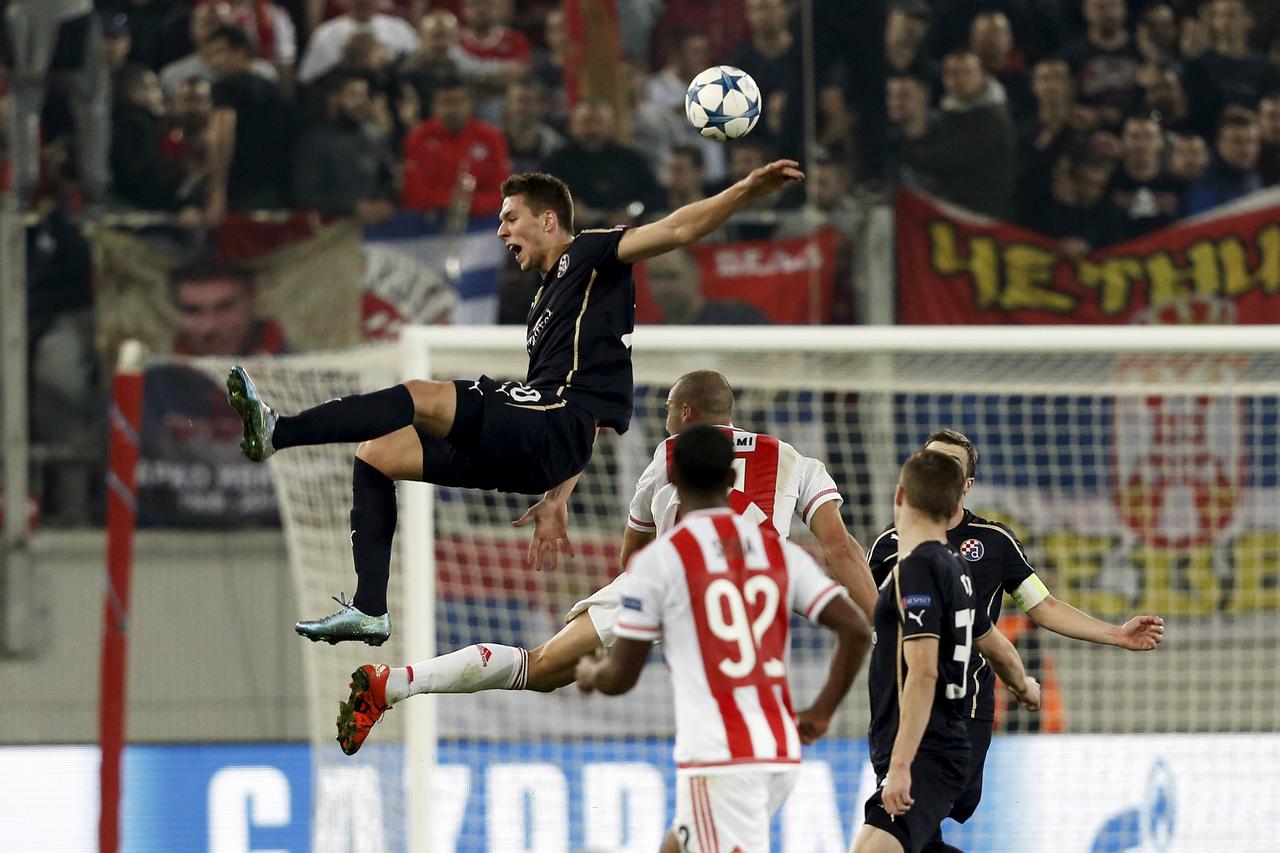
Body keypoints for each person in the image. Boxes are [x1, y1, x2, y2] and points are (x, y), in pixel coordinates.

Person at [226, 162, 806, 645]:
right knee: (377, 454)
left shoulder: (592, 253)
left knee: (422, 396)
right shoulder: (545, 302)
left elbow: (676, 230)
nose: (502, 231)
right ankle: (370, 609)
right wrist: (557, 496)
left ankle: (279, 432)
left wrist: (744, 190)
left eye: (511, 218)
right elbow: (592, 419)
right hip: (546, 440)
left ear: (548, 220)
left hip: (556, 423)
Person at [330, 369, 879, 755]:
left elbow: (632, 557)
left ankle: (393, 683)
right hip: (747, 595)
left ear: (685, 413)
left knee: (542, 668)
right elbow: (841, 549)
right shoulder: (793, 460)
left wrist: (632, 616)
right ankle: (391, 685)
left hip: (668, 584)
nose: (665, 421)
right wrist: (885, 621)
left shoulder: (667, 457)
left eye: (668, 411)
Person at [574, 425, 872, 852]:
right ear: (732, 478)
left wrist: (590, 673)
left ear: (672, 479)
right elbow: (856, 629)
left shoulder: (660, 560)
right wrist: (822, 711)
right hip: (778, 749)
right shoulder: (778, 551)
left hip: (721, 758)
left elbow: (621, 676)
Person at [867, 429, 1165, 853]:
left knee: (898, 828)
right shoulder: (889, 549)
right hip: (894, 710)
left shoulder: (993, 543)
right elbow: (876, 618)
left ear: (966, 485)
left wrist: (1115, 634)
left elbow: (1043, 606)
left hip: (960, 711)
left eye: (949, 465)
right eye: (930, 460)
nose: (937, 470)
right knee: (916, 835)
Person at [853, 448, 1042, 853]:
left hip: (924, 745)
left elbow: (924, 673)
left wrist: (901, 765)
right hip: (935, 741)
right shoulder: (956, 568)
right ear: (955, 503)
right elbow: (996, 645)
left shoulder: (916, 569)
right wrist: (1024, 686)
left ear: (900, 495)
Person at [203, 24, 297, 221]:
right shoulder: (274, 90)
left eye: (219, 53)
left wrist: (217, 190)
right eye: (209, 55)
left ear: (242, 51)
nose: (213, 62)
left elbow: (222, 135)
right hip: (276, 191)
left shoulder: (226, 87)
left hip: (239, 191)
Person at [290, 72, 397, 222]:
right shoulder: (314, 140)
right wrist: (351, 206)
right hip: (333, 229)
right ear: (333, 99)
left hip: (377, 227)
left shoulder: (373, 134)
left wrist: (382, 200)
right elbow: (304, 195)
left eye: (364, 95)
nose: (362, 102)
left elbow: (387, 179)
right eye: (353, 95)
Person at [401, 76, 509, 216]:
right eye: (445, 103)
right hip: (431, 220)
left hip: (481, 220)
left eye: (458, 102)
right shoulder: (418, 138)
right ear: (434, 106)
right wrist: (450, 203)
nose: (452, 110)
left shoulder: (491, 137)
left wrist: (469, 205)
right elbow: (413, 193)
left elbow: (502, 191)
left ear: (470, 103)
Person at [171, 261, 288, 357]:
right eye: (193, 311)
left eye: (224, 308)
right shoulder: (164, 374)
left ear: (253, 302)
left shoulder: (297, 367)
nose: (209, 327)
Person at [297, 0, 420, 84]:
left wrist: (392, 62)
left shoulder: (399, 29)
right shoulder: (326, 34)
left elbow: (420, 66)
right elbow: (308, 80)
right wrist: (345, 65)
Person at [645, 249, 771, 326]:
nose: (663, 287)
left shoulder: (741, 320)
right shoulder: (649, 337)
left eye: (672, 276)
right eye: (655, 277)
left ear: (696, 274)